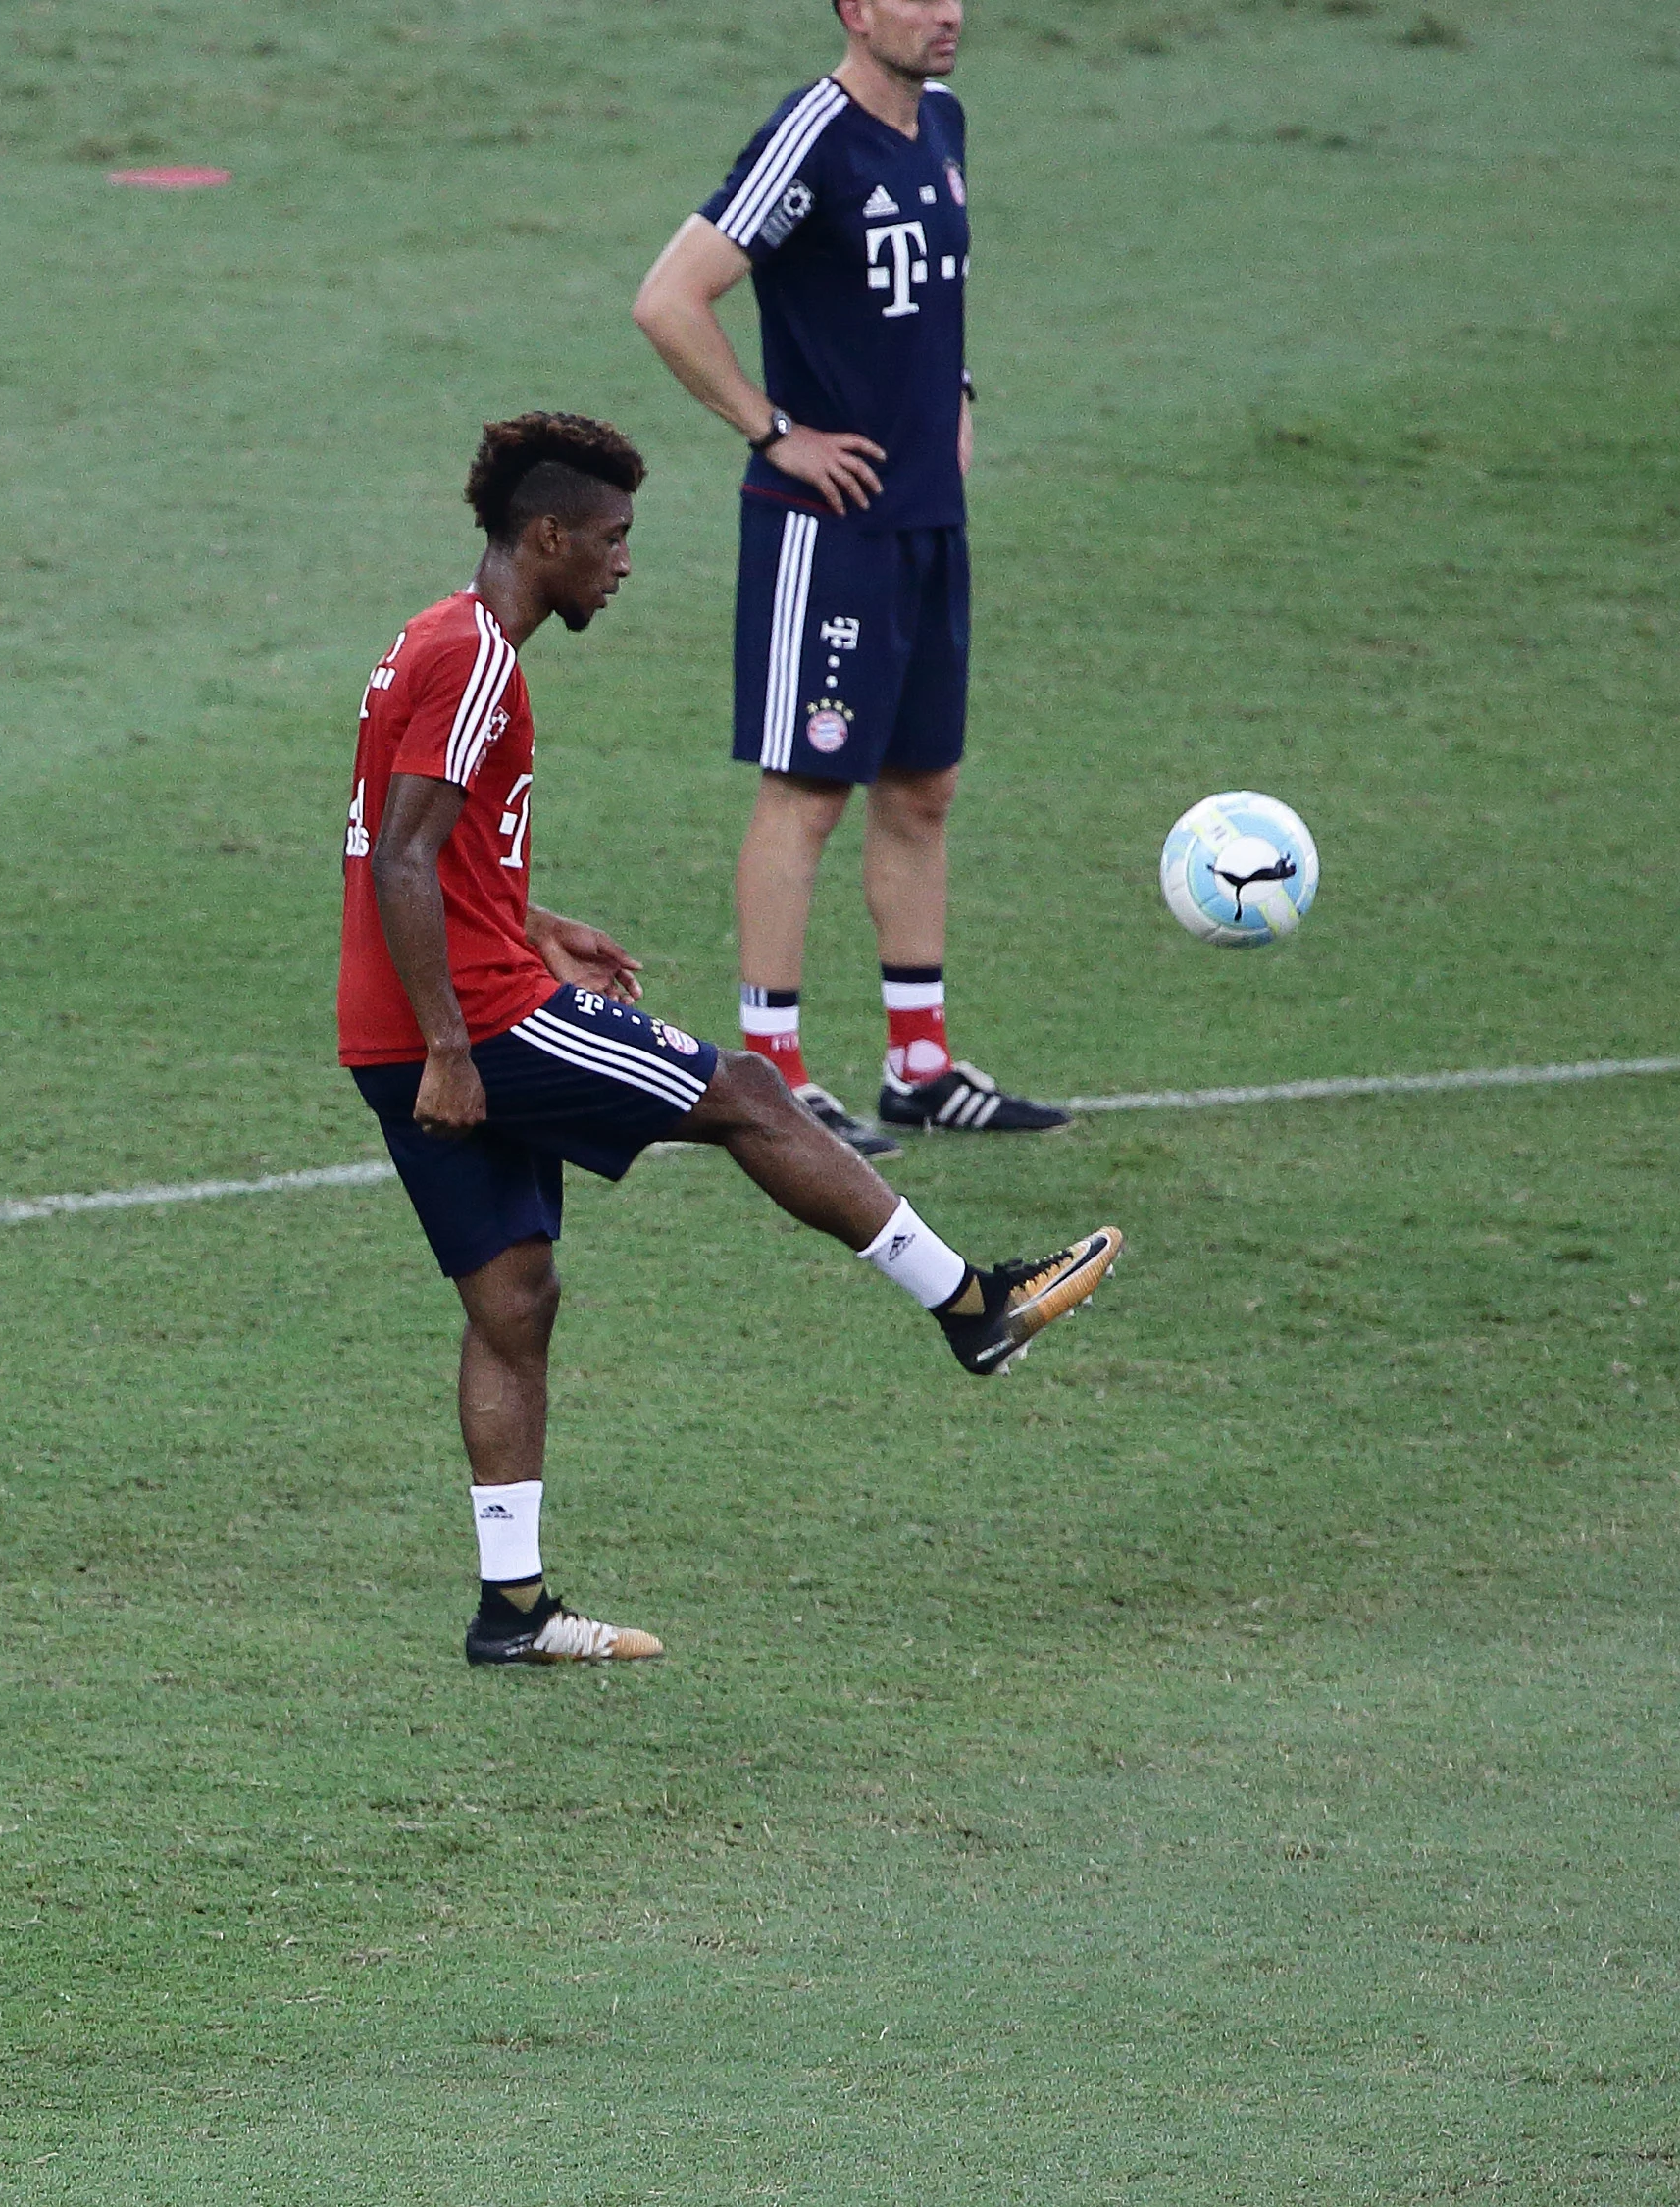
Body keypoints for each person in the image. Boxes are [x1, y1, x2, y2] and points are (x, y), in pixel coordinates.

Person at [339, 413, 1119, 1667]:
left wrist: (538, 923)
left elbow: (414, 847)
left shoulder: (432, 641)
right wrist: (451, 1043)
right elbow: (404, 857)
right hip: (473, 1020)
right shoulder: (476, 656)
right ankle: (970, 1302)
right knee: (751, 1090)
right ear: (546, 537)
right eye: (610, 539)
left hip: (407, 1019)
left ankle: (513, 1610)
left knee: (514, 1302)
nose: (623, 563)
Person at [630, 0, 1072, 1155]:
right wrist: (774, 430)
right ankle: (769, 1073)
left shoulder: (945, 126)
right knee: (807, 793)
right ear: (854, 9)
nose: (947, 13)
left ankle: (919, 1065)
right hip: (822, 533)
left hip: (929, 521)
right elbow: (668, 300)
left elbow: (926, 291)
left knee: (922, 787)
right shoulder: (811, 137)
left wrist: (958, 390)